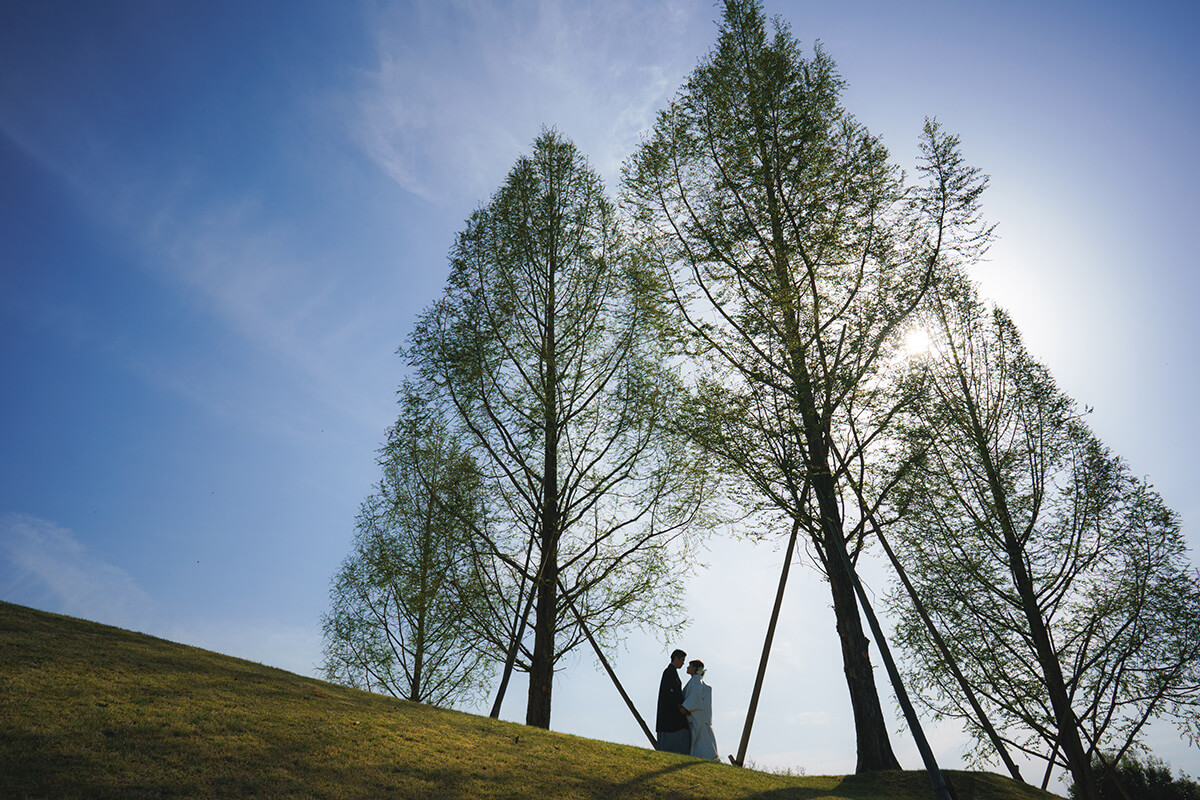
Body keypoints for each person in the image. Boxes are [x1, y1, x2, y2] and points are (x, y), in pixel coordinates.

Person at [655, 649, 690, 754]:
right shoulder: (669, 672)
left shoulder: (672, 672)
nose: (683, 663)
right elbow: (671, 693)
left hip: (673, 712)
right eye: (682, 660)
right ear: (676, 658)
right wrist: (679, 707)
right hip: (670, 714)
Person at [682, 659, 718, 760]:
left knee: (699, 738)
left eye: (690, 665)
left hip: (695, 714)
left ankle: (705, 756)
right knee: (704, 737)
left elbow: (695, 696)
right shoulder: (698, 681)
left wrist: (684, 708)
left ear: (694, 668)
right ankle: (710, 756)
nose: (687, 667)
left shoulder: (696, 680)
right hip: (700, 715)